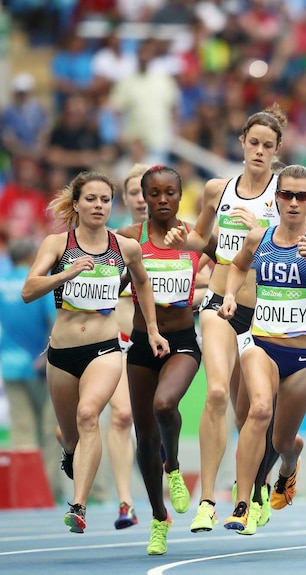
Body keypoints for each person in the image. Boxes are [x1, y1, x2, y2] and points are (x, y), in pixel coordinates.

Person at [21, 171, 169, 533]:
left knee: (90, 415)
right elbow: (28, 290)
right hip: (62, 353)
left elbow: (143, 283)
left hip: (104, 349)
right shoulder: (58, 244)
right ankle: (70, 451)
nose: (99, 205)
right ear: (77, 204)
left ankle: (79, 506)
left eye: (105, 200)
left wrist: (151, 328)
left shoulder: (124, 247)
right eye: (91, 199)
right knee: (70, 434)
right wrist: (65, 275)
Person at [165, 104, 286, 533]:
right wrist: (184, 238)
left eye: (267, 146)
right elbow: (202, 236)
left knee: (253, 410)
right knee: (216, 392)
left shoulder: (284, 194)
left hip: (265, 311)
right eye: (252, 143)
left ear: (277, 151)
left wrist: (262, 230)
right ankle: (207, 500)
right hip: (219, 302)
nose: (258, 151)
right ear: (241, 144)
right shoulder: (218, 188)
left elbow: (300, 245)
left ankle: (252, 490)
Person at [218, 164, 306, 534]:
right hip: (261, 344)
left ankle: (289, 464)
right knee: (257, 411)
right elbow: (236, 267)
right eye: (287, 195)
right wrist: (230, 295)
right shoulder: (258, 237)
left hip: (304, 356)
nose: (294, 203)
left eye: (303, 196)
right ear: (276, 197)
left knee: (281, 439)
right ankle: (242, 503)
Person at [116, 165, 203, 554]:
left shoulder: (192, 237)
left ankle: (174, 467)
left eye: (170, 193)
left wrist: (219, 295)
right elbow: (109, 281)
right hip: (140, 343)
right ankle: (157, 517)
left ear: (180, 197)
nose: (163, 200)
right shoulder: (129, 239)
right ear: (144, 198)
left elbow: (239, 262)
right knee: (146, 436)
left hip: (182, 340)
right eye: (154, 193)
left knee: (165, 404)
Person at [106, 163, 149, 531]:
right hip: (117, 342)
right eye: (134, 191)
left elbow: (205, 286)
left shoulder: (179, 237)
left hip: (160, 341)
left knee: (156, 417)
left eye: (147, 190)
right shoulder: (115, 239)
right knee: (121, 416)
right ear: (126, 198)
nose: (141, 198)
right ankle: (125, 503)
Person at [0, 239, 60, 499]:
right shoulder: (39, 281)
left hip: (10, 366)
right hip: (40, 366)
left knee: (22, 432)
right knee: (49, 432)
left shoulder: (1, 283)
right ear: (31, 255)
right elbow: (55, 321)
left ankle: (25, 493)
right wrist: (45, 355)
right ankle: (47, 492)